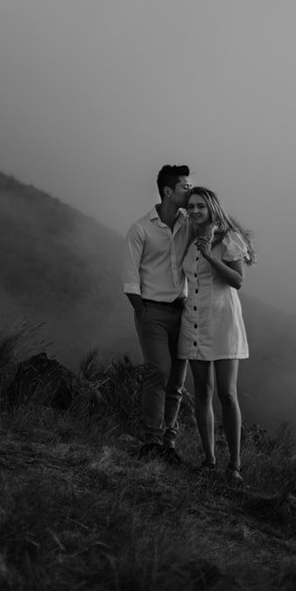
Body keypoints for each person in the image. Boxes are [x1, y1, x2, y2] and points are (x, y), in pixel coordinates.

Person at [178, 186, 254, 483]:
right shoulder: (188, 238)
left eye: (201, 206)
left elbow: (237, 281)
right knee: (202, 392)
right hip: (194, 320)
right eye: (191, 207)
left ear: (212, 208)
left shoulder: (228, 238)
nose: (195, 211)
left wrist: (210, 257)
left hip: (223, 321)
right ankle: (209, 459)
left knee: (227, 393)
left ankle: (234, 465)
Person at [121, 164, 194, 461]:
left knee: (177, 381)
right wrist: (143, 312)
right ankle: (151, 442)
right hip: (152, 310)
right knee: (159, 372)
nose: (189, 192)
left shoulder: (190, 222)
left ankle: (169, 445)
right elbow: (129, 279)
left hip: (184, 312)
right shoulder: (140, 229)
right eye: (184, 188)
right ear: (168, 192)